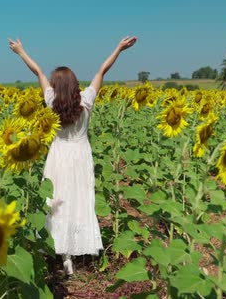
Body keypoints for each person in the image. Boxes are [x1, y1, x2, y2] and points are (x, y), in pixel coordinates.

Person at [8, 36, 137, 275]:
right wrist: (119, 48)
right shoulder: (86, 101)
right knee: (80, 199)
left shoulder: (51, 102)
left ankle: (64, 256)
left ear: (56, 87)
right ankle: (78, 251)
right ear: (75, 83)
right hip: (80, 155)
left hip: (58, 154)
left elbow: (37, 71)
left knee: (57, 200)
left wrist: (21, 52)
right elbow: (102, 70)